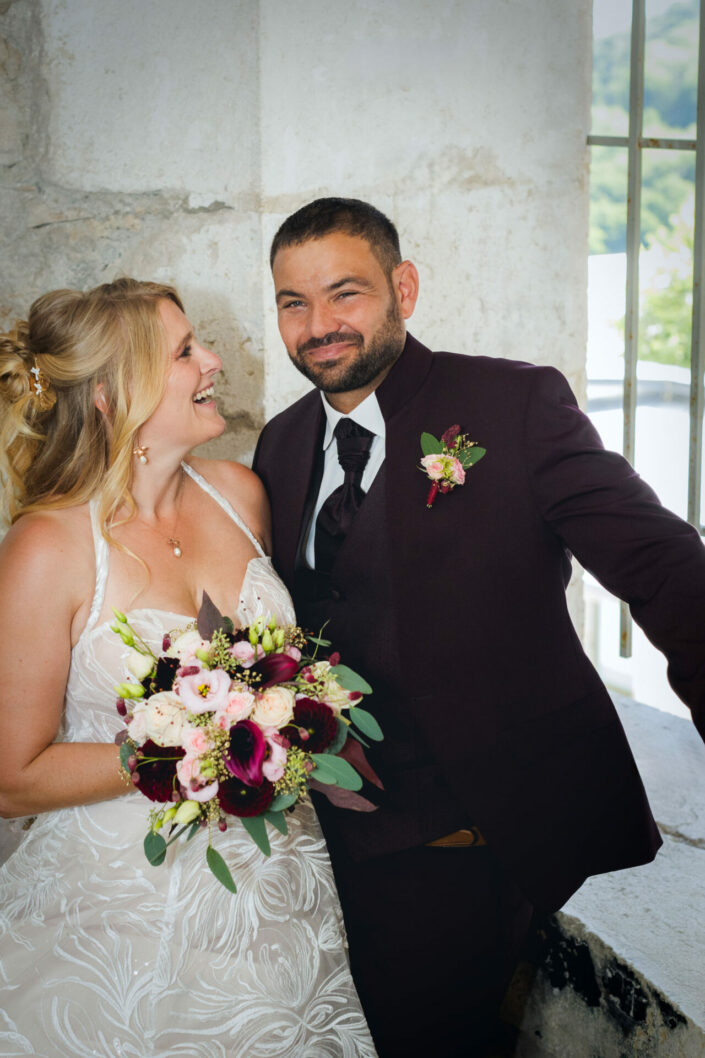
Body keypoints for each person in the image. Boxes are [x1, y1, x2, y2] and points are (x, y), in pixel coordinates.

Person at [253, 197, 705, 1057]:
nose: (319, 326)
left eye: (344, 293)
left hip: (477, 824)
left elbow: (661, 566)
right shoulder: (279, 445)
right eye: (293, 302)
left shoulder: (512, 404)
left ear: (403, 288)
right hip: (337, 828)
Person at [0, 278, 377, 1057]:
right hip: (120, 913)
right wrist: (193, 747)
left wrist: (299, 720)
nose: (212, 361)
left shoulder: (240, 494)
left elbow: (286, 667)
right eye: (183, 352)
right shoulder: (49, 548)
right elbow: (11, 777)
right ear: (111, 395)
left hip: (277, 892)